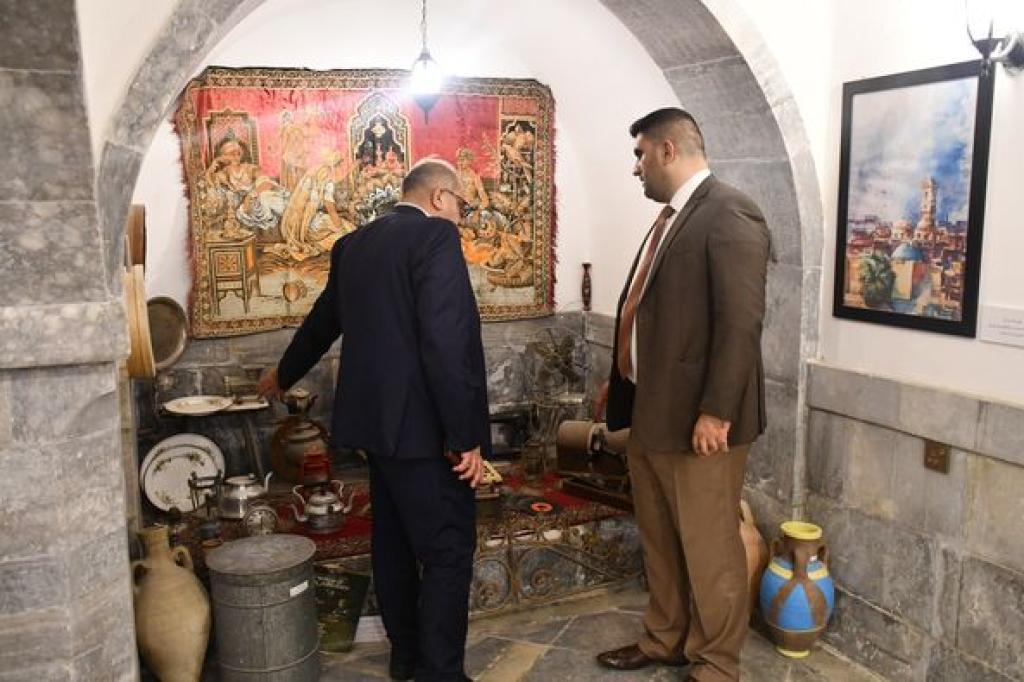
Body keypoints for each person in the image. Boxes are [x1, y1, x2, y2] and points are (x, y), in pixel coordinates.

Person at [258, 159, 490, 682]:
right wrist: (464, 436)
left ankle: (405, 657)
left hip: (375, 432)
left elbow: (322, 322)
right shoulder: (435, 237)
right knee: (448, 551)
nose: (462, 217)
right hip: (426, 433)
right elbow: (445, 341)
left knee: (394, 545)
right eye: (462, 205)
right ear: (439, 197)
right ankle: (440, 673)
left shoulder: (353, 245)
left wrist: (284, 373)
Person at [594, 108, 770, 682]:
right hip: (651, 410)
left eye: (640, 154)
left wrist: (716, 412)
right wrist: (621, 375)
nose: (636, 168)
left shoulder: (729, 211)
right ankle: (665, 639)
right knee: (661, 541)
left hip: (701, 422)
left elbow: (740, 324)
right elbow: (651, 310)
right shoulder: (671, 217)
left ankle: (716, 664)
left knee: (710, 547)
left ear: (667, 150)